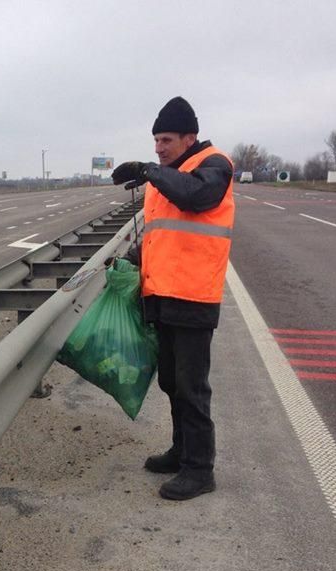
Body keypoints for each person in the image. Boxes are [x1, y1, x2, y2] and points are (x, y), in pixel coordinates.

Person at [111, 96, 235, 501]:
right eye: (155, 141)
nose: (159, 148)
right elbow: (160, 233)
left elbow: (197, 197)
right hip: (162, 294)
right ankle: (182, 451)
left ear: (189, 137)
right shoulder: (167, 176)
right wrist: (129, 261)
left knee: (191, 386)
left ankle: (200, 469)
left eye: (165, 140)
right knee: (170, 381)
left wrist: (150, 172)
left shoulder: (213, 166)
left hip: (194, 296)